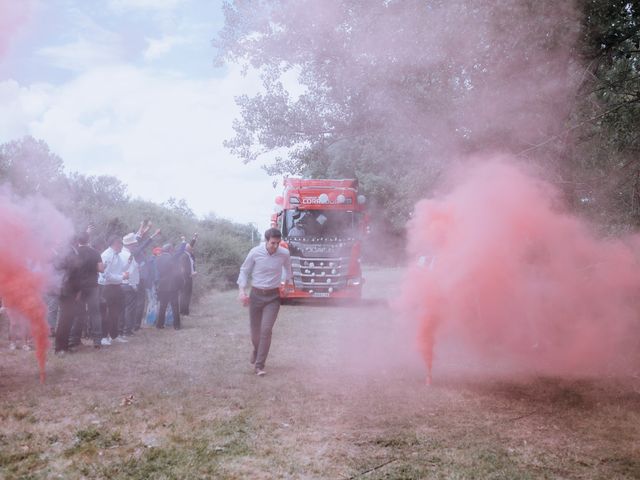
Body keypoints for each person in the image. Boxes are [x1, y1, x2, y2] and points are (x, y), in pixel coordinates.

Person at [237, 228, 293, 376]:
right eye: (272, 243)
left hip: (273, 297)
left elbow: (288, 269)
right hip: (255, 295)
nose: (275, 246)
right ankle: (256, 350)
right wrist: (242, 291)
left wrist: (287, 285)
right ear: (266, 241)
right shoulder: (255, 252)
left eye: (278, 243)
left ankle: (259, 365)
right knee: (255, 333)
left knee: (266, 330)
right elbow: (244, 270)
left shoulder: (284, 253)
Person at [69, 231, 104, 349]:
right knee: (95, 314)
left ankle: (74, 339)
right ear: (88, 240)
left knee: (79, 314)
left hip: (78, 288)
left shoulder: (75, 252)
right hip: (93, 286)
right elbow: (101, 269)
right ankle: (97, 341)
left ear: (77, 241)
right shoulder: (95, 252)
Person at [98, 235, 129, 346]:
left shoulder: (118, 255)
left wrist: (125, 271)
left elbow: (120, 269)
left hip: (116, 286)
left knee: (115, 312)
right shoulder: (107, 255)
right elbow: (105, 274)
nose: (122, 246)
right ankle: (103, 336)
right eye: (121, 244)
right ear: (116, 244)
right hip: (107, 287)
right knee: (106, 313)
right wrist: (122, 277)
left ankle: (114, 335)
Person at [155, 243, 184, 330]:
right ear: (170, 250)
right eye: (172, 249)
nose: (173, 251)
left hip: (162, 285)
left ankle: (159, 325)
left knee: (163, 306)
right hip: (172, 285)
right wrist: (183, 243)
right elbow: (180, 252)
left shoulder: (158, 258)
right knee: (175, 306)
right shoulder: (171, 257)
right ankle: (177, 326)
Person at [179, 234, 197, 315]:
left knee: (188, 294)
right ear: (187, 249)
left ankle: (186, 311)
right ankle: (183, 312)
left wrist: (194, 238)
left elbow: (191, 245)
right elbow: (183, 269)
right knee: (184, 295)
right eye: (190, 247)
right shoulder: (184, 256)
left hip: (189, 277)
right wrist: (191, 274)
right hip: (186, 278)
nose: (192, 248)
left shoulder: (189, 255)